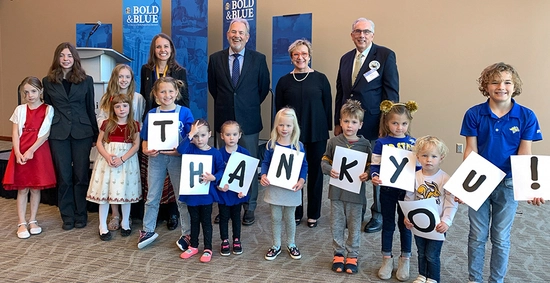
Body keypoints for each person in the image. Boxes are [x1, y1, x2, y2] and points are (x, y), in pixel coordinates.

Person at [460, 62, 544, 283]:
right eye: (495, 82)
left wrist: (530, 188)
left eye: (507, 82)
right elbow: (471, 151)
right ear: (485, 86)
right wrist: (463, 186)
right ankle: (474, 279)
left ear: (514, 85)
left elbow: (525, 153)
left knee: (500, 237)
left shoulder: (526, 116)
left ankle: (496, 281)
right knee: (477, 236)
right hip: (479, 182)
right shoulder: (474, 113)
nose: (501, 87)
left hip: (508, 182)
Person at [335, 17, 399, 234]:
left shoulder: (385, 55)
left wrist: (386, 125)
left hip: (374, 126)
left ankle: (378, 214)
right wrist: (338, 122)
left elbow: (391, 94)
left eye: (366, 32)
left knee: (376, 171)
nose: (361, 35)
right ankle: (356, 211)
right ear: (352, 34)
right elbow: (341, 93)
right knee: (354, 169)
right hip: (350, 127)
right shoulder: (345, 59)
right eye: (357, 31)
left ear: (372, 35)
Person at [208, 17, 270, 226]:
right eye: (233, 32)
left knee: (249, 164)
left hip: (249, 121)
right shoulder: (215, 59)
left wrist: (246, 105)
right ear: (228, 35)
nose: (237, 36)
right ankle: (226, 203)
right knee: (224, 164)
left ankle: (249, 205)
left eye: (241, 33)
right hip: (224, 120)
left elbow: (263, 89)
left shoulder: (258, 59)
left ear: (247, 37)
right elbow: (213, 88)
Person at [275, 39, 332, 228]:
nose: (301, 57)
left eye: (304, 54)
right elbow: (279, 110)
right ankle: (296, 210)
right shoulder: (283, 81)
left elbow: (327, 106)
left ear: (309, 56)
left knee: (316, 174)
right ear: (291, 58)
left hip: (317, 132)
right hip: (291, 135)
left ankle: (313, 213)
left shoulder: (321, 79)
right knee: (293, 173)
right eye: (296, 54)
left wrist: (328, 130)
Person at [43, 42, 99, 230]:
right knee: (64, 176)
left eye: (69, 56)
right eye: (62, 56)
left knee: (81, 175)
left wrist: (95, 134)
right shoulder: (47, 81)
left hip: (82, 132)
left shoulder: (86, 80)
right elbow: (48, 110)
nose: (66, 59)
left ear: (75, 58)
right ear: (57, 58)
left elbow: (90, 107)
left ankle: (81, 214)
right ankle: (67, 215)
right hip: (58, 134)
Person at [140, 33, 190, 230]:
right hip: (154, 127)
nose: (162, 50)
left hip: (174, 129)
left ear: (171, 49)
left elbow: (184, 100)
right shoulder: (146, 70)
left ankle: (175, 217)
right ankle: (149, 227)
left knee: (177, 185)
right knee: (153, 187)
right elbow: (145, 98)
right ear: (154, 50)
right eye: (158, 47)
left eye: (166, 46)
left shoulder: (179, 71)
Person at [138, 77, 194, 249]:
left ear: (176, 93)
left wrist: (180, 150)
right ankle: (147, 229)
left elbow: (191, 139)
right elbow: (145, 139)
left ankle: (187, 233)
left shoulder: (184, 113)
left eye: (170, 91)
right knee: (152, 196)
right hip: (156, 158)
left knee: (181, 197)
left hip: (177, 158)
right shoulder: (152, 114)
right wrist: (146, 149)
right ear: (156, 94)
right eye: (162, 91)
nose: (167, 95)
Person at [321, 100, 371, 274]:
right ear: (340, 122)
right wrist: (328, 169)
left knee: (354, 225)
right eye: (346, 121)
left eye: (354, 122)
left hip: (355, 196)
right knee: (336, 224)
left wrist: (368, 173)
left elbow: (371, 166)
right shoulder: (334, 142)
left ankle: (353, 254)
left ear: (360, 124)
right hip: (336, 193)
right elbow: (325, 159)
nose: (350, 126)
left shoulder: (365, 145)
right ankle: (338, 252)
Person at [3, 77, 56, 239]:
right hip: (21, 150)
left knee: (35, 187)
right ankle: (21, 222)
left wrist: (32, 150)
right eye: (26, 92)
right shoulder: (19, 109)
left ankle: (33, 220)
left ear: (40, 91)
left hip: (38, 151)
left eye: (33, 91)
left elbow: (45, 133)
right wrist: (18, 152)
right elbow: (14, 133)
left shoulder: (48, 109)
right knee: (22, 188)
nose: (30, 95)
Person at [371, 100, 419, 281]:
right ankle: (387, 258)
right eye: (395, 123)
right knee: (388, 224)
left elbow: (419, 169)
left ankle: (405, 258)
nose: (399, 127)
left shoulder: (414, 143)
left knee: (406, 225)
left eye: (404, 124)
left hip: (407, 192)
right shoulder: (381, 143)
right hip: (388, 191)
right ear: (387, 123)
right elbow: (375, 165)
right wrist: (375, 176)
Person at [97, 64, 145, 231]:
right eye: (120, 76)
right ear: (114, 78)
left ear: (131, 80)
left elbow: (138, 119)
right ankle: (115, 214)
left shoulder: (137, 98)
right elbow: (101, 119)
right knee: (111, 182)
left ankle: (127, 216)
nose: (123, 80)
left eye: (127, 77)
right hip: (111, 146)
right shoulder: (106, 97)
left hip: (128, 147)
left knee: (125, 182)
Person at [86, 94, 141, 241]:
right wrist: (107, 156)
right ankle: (102, 226)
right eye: (117, 106)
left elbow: (136, 145)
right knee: (105, 193)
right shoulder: (107, 124)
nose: (121, 109)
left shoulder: (134, 125)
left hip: (126, 162)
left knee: (125, 192)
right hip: (108, 161)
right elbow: (99, 143)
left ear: (130, 107)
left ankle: (125, 223)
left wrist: (122, 159)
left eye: (124, 106)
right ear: (113, 109)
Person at [403, 136, 458, 283]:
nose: (429, 160)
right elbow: (409, 198)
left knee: (432, 254)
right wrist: (407, 216)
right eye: (425, 156)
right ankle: (422, 275)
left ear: (441, 158)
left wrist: (446, 221)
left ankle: (433, 278)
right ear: (418, 157)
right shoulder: (414, 177)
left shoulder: (445, 179)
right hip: (419, 223)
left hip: (437, 224)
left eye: (434, 156)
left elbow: (451, 202)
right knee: (421, 251)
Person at [260, 108, 308, 261]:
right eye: (281, 125)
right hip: (275, 188)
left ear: (294, 127)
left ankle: (291, 243)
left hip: (291, 189)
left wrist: (302, 180)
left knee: (289, 217)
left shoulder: (298, 145)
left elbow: (304, 165)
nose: (284, 129)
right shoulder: (271, 145)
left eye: (288, 125)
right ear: (276, 126)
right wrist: (263, 175)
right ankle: (276, 245)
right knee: (275, 217)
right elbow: (265, 163)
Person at [177, 119, 224, 263]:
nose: (199, 139)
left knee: (206, 221)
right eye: (196, 136)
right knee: (194, 220)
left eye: (202, 135)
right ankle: (194, 245)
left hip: (206, 194)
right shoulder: (190, 148)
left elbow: (222, 169)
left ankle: (208, 248)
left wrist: (214, 177)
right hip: (192, 194)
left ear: (209, 134)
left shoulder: (215, 153)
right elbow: (180, 150)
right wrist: (189, 135)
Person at [217, 121, 250, 256]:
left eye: (234, 134)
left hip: (237, 194)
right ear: (222, 136)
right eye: (228, 134)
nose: (231, 138)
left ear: (240, 135)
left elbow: (248, 175)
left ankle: (237, 239)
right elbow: (216, 172)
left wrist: (245, 190)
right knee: (224, 217)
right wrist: (219, 186)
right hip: (224, 193)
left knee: (236, 217)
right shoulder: (218, 154)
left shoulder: (245, 153)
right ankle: (224, 240)